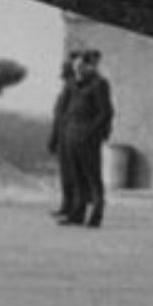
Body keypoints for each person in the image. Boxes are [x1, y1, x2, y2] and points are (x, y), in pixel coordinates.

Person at [64, 49, 114, 228]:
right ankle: (77, 213)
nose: (77, 70)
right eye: (75, 67)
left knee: (92, 177)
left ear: (88, 66)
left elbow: (105, 112)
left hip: (88, 138)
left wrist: (90, 132)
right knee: (77, 176)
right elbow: (68, 110)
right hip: (72, 136)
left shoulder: (99, 84)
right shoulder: (74, 84)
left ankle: (96, 214)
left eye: (80, 67)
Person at [47, 51, 83, 223]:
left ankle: (72, 209)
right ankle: (67, 206)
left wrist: (55, 137)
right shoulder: (69, 87)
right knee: (67, 174)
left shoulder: (71, 87)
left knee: (71, 175)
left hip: (67, 136)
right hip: (63, 136)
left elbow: (62, 116)